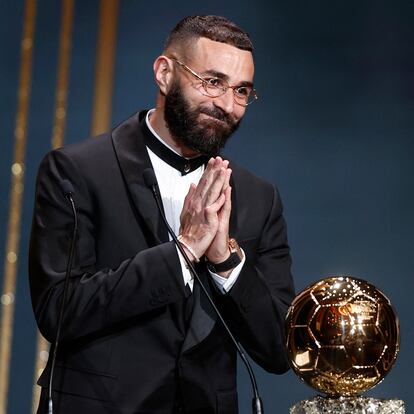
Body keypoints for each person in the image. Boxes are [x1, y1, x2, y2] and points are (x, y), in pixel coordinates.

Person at [29, 15, 295, 414]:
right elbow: (58, 311)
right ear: (164, 73)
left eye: (242, 91)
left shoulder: (259, 198)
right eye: (212, 82)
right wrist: (183, 252)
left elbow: (279, 349)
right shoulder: (76, 171)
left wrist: (225, 263)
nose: (226, 104)